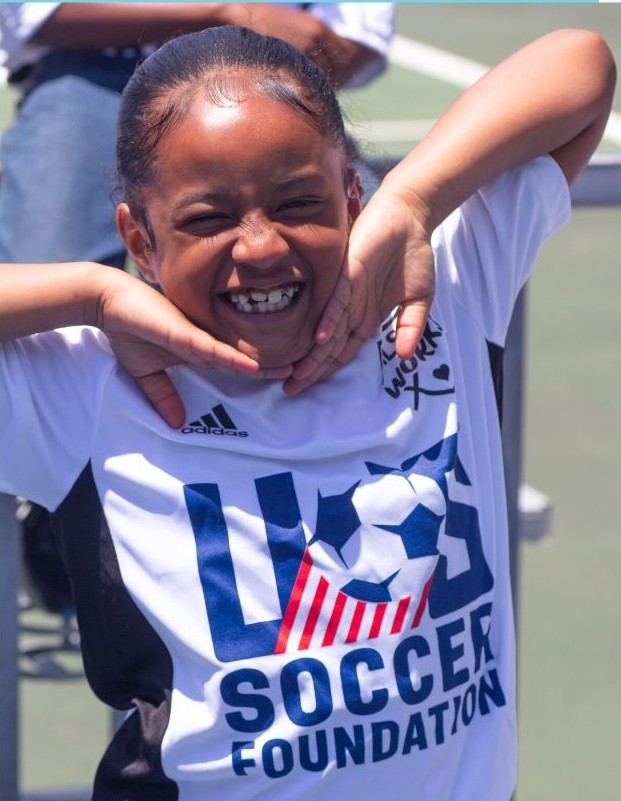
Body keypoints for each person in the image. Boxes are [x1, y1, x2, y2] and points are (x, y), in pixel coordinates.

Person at [0, 24, 614, 801]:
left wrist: (416, 199)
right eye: (204, 218)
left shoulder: (436, 294)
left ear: (352, 196)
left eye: (298, 201)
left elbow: (580, 66)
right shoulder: (87, 382)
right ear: (140, 240)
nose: (258, 246)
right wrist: (91, 292)